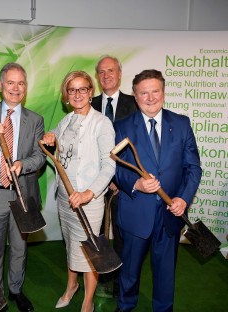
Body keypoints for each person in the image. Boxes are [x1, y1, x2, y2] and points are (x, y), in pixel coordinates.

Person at [113, 69, 202, 312]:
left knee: (165, 272)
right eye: (144, 93)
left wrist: (183, 199)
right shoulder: (121, 127)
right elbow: (116, 170)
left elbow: (193, 167)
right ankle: (125, 306)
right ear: (135, 95)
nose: (150, 98)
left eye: (155, 91)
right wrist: (137, 184)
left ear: (163, 92)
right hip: (136, 213)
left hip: (170, 214)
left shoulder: (181, 124)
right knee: (129, 270)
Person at [0, 63, 45, 312]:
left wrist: (23, 164)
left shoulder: (35, 119)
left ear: (26, 88)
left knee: (19, 249)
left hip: (23, 194)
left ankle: (15, 290)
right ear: (1, 85)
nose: (16, 88)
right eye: (11, 83)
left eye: (21, 83)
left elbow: (40, 156)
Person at [42, 71, 116, 312]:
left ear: (90, 92)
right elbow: (57, 140)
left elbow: (109, 165)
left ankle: (88, 301)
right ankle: (71, 286)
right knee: (71, 246)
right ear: (66, 94)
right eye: (72, 90)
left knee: (89, 253)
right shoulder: (68, 120)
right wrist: (51, 136)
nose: (77, 94)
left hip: (88, 201)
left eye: (82, 89)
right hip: (66, 198)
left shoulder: (101, 123)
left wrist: (89, 193)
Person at [91, 55, 137, 298]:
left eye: (111, 70)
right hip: (94, 182)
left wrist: (119, 178)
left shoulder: (135, 103)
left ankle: (120, 283)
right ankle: (99, 278)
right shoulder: (88, 103)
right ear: (97, 77)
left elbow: (137, 146)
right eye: (101, 72)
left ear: (120, 73)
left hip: (124, 183)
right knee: (95, 233)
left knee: (121, 235)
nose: (106, 75)